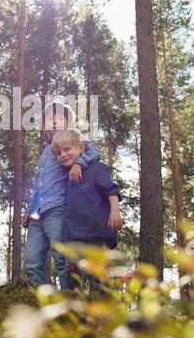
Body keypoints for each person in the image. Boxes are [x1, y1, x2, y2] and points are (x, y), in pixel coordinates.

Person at [22, 101, 102, 289]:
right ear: (44, 126)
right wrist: (29, 209)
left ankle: (70, 306)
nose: (55, 121)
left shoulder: (72, 144)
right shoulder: (45, 151)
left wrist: (78, 163)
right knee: (31, 262)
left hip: (58, 209)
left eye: (60, 118)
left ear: (69, 123)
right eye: (50, 118)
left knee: (62, 260)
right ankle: (44, 303)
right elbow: (39, 185)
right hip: (36, 214)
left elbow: (95, 152)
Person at [50, 129, 122, 290]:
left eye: (67, 149)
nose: (62, 155)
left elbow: (111, 190)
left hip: (97, 232)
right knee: (74, 278)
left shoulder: (97, 168)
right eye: (58, 153)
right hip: (73, 235)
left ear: (81, 148)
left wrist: (115, 211)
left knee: (100, 280)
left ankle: (101, 311)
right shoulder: (64, 175)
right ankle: (76, 308)